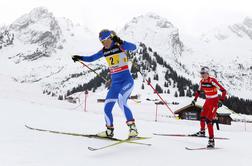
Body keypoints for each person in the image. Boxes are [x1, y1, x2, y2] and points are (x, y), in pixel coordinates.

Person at [72, 29, 138, 138]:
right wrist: (79, 57)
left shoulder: (120, 46)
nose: (104, 44)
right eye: (102, 42)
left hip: (126, 81)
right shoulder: (104, 51)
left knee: (121, 100)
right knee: (107, 107)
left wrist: (121, 42)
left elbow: (134, 47)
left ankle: (132, 128)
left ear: (111, 38)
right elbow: (92, 58)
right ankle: (109, 131)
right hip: (115, 84)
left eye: (106, 41)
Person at [191, 66, 226, 148]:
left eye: (203, 73)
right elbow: (198, 91)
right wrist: (194, 99)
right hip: (207, 101)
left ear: (207, 73)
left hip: (214, 101)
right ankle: (202, 132)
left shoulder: (212, 81)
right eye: (201, 73)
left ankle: (211, 140)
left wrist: (221, 100)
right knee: (202, 116)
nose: (202, 75)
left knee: (209, 120)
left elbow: (223, 90)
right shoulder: (202, 82)